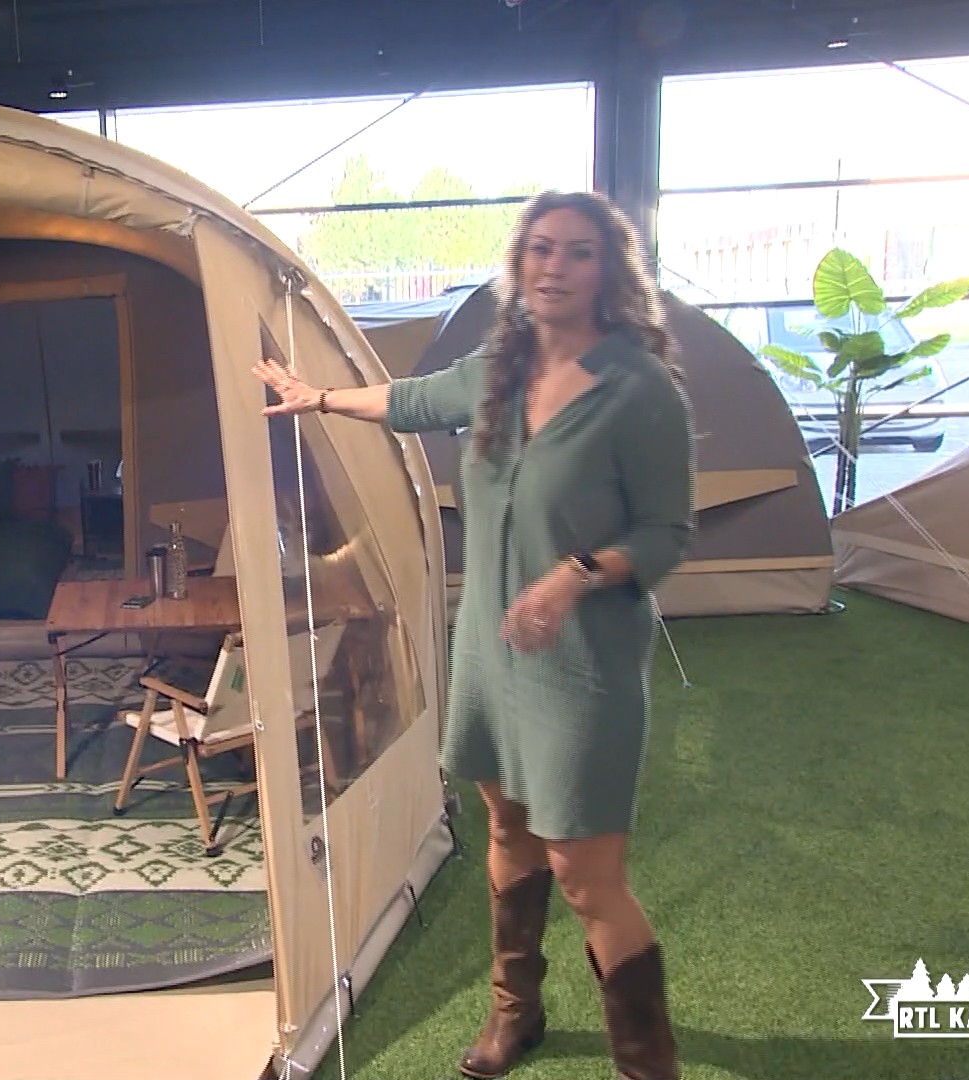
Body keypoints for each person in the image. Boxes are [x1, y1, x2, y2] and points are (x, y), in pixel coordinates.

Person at [253, 190, 693, 1080]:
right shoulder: (498, 368)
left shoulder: (639, 388)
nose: (554, 267)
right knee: (506, 823)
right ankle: (514, 1011)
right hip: (493, 655)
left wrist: (572, 576)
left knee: (585, 873)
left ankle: (648, 1064)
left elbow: (665, 532)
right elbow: (410, 398)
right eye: (540, 248)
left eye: (578, 251)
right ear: (518, 261)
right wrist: (319, 396)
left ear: (610, 271)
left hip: (584, 665)